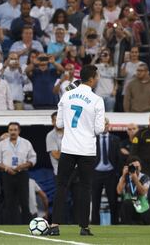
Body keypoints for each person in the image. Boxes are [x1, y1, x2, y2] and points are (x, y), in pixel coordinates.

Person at [48, 64, 105, 236]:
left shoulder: (67, 95)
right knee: (85, 188)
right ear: (92, 78)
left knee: (61, 186)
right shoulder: (97, 100)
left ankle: (54, 225)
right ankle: (84, 227)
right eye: (98, 76)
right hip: (87, 150)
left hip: (68, 148)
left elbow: (58, 124)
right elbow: (99, 129)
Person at [0, 122, 37, 224]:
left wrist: (24, 165)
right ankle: (12, 225)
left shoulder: (26, 143)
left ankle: (27, 224)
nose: (13, 132)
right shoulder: (2, 144)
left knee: (24, 201)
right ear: (8, 131)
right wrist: (5, 168)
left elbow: (33, 158)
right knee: (10, 201)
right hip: (7, 174)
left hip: (22, 174)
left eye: (15, 130)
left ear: (19, 131)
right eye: (11, 130)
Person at [91, 117, 121, 225]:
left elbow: (118, 158)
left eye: (106, 124)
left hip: (110, 173)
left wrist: (117, 172)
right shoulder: (93, 139)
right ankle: (95, 223)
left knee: (113, 200)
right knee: (95, 200)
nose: (104, 126)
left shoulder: (115, 139)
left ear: (109, 125)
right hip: (96, 172)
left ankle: (115, 224)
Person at [116, 156, 150, 225]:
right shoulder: (125, 177)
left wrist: (135, 179)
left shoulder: (145, 178)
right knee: (127, 203)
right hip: (128, 205)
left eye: (137, 167)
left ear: (140, 167)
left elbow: (143, 192)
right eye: (133, 167)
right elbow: (119, 191)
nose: (135, 169)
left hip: (141, 204)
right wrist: (123, 175)